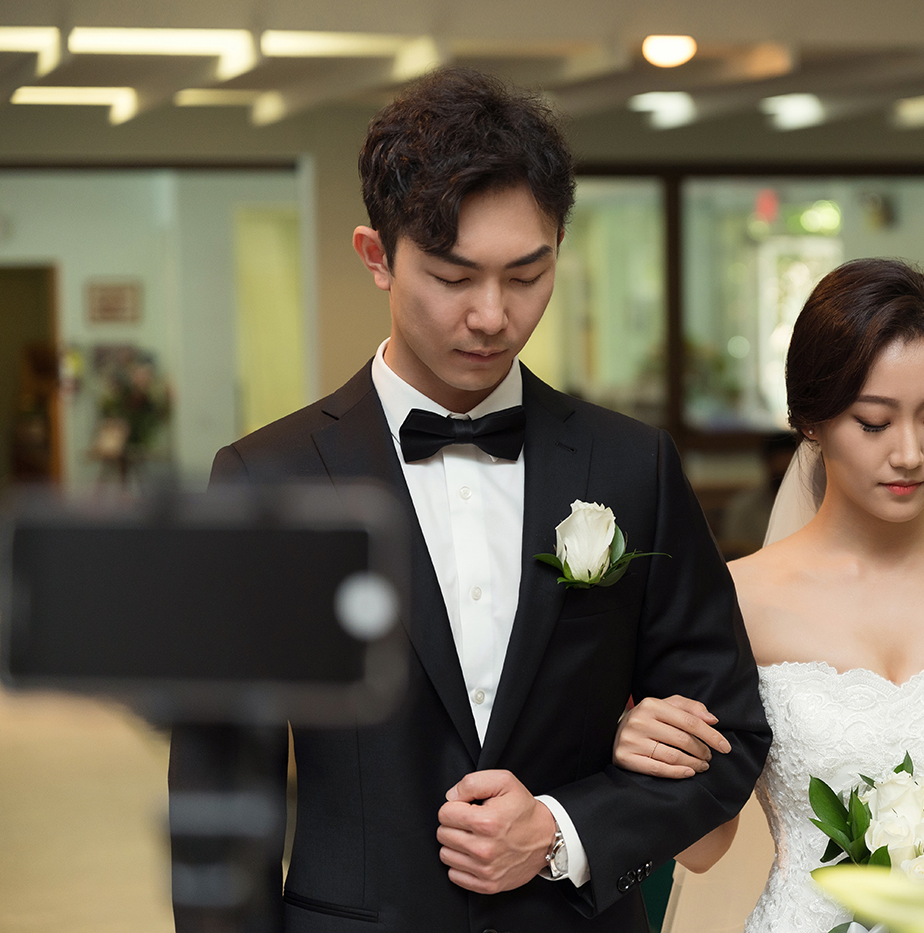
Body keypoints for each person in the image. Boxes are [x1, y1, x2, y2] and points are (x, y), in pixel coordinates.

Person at [169, 68, 770, 933]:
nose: (493, 315)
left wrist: (565, 828)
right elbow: (222, 789)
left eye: (527, 274)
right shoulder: (269, 479)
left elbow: (730, 732)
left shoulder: (631, 464)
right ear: (377, 256)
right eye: (454, 277)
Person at [610, 259, 924, 933]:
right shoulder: (738, 599)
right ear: (811, 420)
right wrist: (647, 745)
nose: (911, 453)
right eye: (874, 422)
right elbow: (704, 850)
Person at [720, 432, 798, 557]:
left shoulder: (814, 504)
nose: (783, 469)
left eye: (789, 468)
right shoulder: (743, 507)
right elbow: (733, 550)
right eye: (780, 473)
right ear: (767, 462)